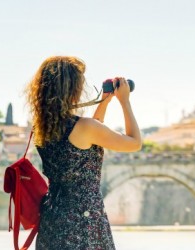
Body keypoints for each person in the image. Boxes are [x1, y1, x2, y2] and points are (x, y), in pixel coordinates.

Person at [26, 56, 142, 250]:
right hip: (84, 222)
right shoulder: (84, 127)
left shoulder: (43, 128)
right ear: (72, 88)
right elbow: (134, 143)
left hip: (53, 220)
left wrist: (104, 103)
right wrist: (124, 101)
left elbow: (91, 136)